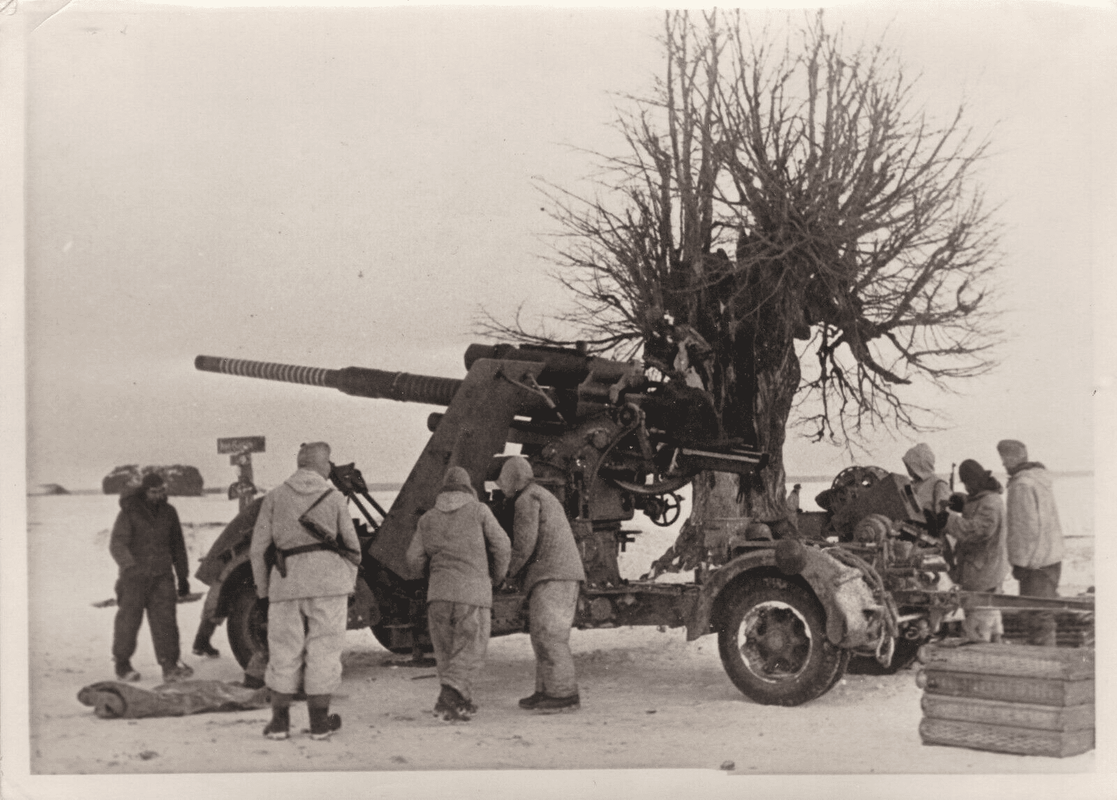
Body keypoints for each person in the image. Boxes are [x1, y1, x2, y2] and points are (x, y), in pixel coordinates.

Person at [250, 442, 361, 740]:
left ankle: (279, 723)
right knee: (324, 650)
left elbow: (258, 549)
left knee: (284, 650)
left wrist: (264, 590)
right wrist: (345, 578)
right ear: (321, 465)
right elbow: (352, 547)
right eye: (328, 464)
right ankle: (319, 724)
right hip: (329, 584)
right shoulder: (334, 497)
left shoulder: (274, 496)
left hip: (286, 583)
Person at [405, 466, 511, 722]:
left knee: (446, 653)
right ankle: (448, 699)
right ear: (469, 488)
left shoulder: (428, 518)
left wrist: (428, 577)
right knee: (470, 650)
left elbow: (413, 558)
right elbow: (502, 545)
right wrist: (496, 577)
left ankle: (461, 702)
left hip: (439, 595)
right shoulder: (479, 511)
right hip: (472, 594)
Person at [497, 456, 586, 713]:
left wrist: (507, 573)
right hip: (555, 574)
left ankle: (564, 695)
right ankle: (545, 690)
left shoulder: (528, 500)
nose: (501, 487)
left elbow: (524, 546)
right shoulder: (540, 494)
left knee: (550, 636)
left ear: (512, 478)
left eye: (504, 480)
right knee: (542, 635)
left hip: (554, 576)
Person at [109, 472, 195, 683]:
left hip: (162, 578)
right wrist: (129, 566)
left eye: (162, 491)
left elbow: (177, 546)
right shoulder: (130, 512)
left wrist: (183, 577)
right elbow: (117, 543)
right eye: (154, 492)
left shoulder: (169, 512)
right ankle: (123, 665)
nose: (159, 495)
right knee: (128, 623)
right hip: (133, 579)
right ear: (145, 491)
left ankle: (170, 666)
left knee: (166, 623)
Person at [997, 439, 1064, 647]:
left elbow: (1025, 529)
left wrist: (1021, 563)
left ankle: (1044, 665)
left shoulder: (1021, 485)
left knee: (1037, 618)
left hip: (1035, 563)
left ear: (1011, 459)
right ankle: (1046, 660)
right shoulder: (1039, 480)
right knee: (1043, 615)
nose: (1003, 465)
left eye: (1004, 459)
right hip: (1051, 558)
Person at [942, 459, 1010, 642]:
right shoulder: (988, 498)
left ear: (974, 481)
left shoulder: (990, 502)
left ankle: (980, 660)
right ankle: (995, 658)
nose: (966, 487)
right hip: (988, 573)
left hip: (982, 574)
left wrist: (948, 520)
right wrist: (964, 503)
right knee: (991, 623)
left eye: (967, 483)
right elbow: (979, 511)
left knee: (975, 629)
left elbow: (977, 531)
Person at [902, 443, 951, 518]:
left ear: (918, 464)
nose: (908, 468)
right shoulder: (911, 484)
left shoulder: (939, 485)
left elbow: (944, 518)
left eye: (909, 465)